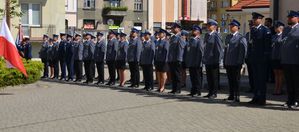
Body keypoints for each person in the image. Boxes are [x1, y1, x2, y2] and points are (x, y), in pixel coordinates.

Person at [248, 12, 272, 106]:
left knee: (261, 80)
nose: (254, 20)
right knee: (255, 79)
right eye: (253, 19)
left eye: (255, 19)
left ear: (260, 19)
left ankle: (262, 99)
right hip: (254, 59)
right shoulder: (253, 30)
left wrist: (266, 58)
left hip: (262, 59)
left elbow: (267, 46)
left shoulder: (265, 30)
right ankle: (255, 97)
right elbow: (251, 44)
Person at [223, 19, 247, 102]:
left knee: (236, 80)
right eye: (230, 26)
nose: (231, 27)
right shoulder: (228, 37)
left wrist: (240, 62)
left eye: (233, 26)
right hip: (229, 62)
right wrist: (224, 61)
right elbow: (226, 50)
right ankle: (231, 95)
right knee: (230, 80)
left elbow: (243, 51)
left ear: (237, 27)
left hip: (236, 63)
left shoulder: (241, 37)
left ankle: (237, 97)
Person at [281, 10, 299, 109]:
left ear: (297, 18)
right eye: (288, 17)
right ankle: (290, 100)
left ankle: (297, 101)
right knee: (289, 82)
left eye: (291, 17)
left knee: (296, 82)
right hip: (286, 60)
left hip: (296, 60)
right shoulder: (286, 29)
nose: (289, 19)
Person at [202, 19, 223, 99]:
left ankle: (214, 93)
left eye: (209, 25)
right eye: (207, 25)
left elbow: (219, 48)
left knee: (214, 77)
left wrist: (218, 59)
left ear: (214, 27)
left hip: (214, 59)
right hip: (208, 60)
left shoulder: (216, 35)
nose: (207, 26)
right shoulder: (207, 35)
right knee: (209, 77)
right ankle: (210, 92)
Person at [185, 25, 204, 97]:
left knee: (197, 78)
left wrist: (199, 62)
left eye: (194, 30)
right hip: (191, 62)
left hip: (197, 62)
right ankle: (193, 91)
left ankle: (198, 91)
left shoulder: (199, 41)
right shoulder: (191, 40)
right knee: (192, 77)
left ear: (198, 32)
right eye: (193, 30)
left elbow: (200, 52)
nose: (193, 31)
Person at [168, 23, 186, 94]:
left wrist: (179, 59)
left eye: (173, 28)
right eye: (172, 28)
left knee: (177, 75)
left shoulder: (180, 37)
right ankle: (174, 89)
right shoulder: (173, 38)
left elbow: (181, 49)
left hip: (177, 59)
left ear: (178, 29)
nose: (172, 29)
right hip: (172, 59)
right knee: (173, 75)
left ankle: (178, 89)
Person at [271, 21, 285, 95]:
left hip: (280, 57)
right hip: (274, 57)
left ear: (281, 28)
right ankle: (276, 88)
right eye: (275, 27)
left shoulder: (283, 36)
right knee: (276, 73)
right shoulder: (274, 36)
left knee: (280, 73)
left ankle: (280, 89)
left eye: (276, 27)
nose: (275, 28)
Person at [154, 28, 170, 93]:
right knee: (158, 74)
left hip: (163, 61)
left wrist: (165, 60)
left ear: (164, 34)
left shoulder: (166, 42)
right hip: (158, 60)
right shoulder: (158, 41)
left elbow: (166, 52)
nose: (159, 34)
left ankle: (163, 87)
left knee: (163, 75)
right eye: (159, 33)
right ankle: (159, 86)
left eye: (160, 33)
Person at [245, 20, 255, 93]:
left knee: (255, 74)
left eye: (252, 25)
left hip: (254, 57)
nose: (250, 26)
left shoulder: (256, 33)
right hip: (248, 57)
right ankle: (251, 87)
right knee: (250, 74)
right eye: (250, 25)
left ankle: (255, 88)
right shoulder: (247, 34)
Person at [265, 18, 276, 83]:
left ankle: (272, 79)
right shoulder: (265, 29)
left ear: (269, 22)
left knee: (271, 66)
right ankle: (267, 78)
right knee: (267, 66)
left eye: (266, 22)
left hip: (271, 51)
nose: (265, 23)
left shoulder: (272, 29)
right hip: (266, 51)